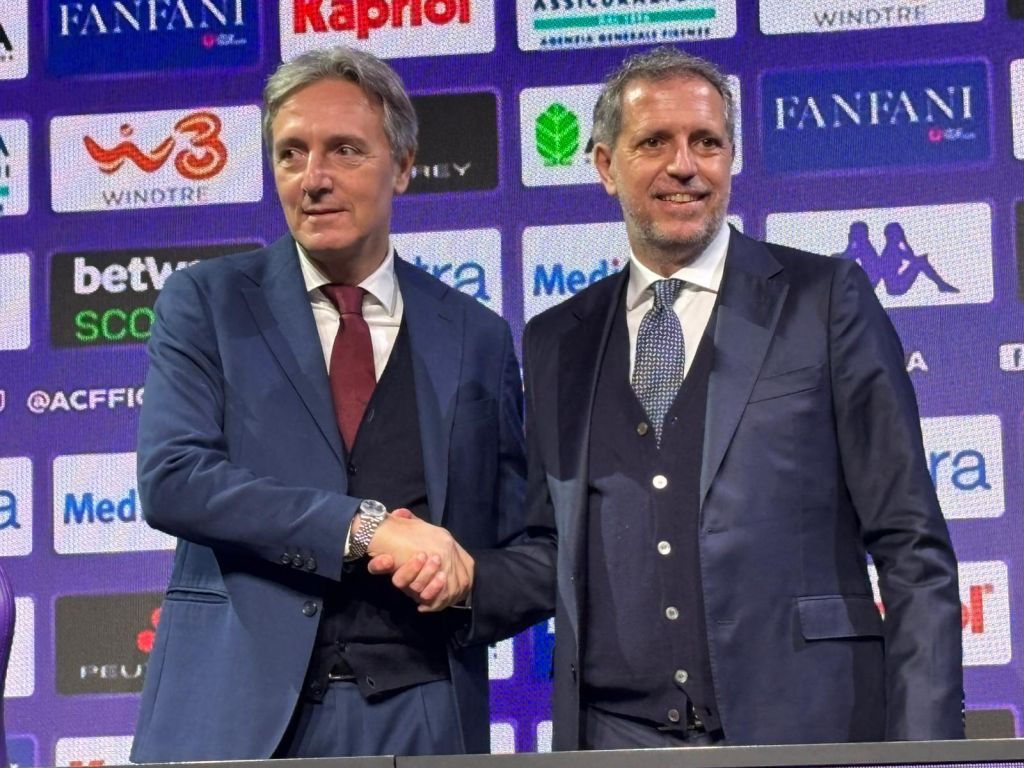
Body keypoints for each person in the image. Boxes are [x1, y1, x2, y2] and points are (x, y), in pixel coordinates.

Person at [402, 46, 964, 750]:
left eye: (707, 142)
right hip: (614, 742)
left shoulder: (824, 301)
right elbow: (553, 548)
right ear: (605, 165)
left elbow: (910, 543)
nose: (684, 165)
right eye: (654, 143)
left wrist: (925, 749)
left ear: (731, 158)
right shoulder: (556, 339)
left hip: (804, 731)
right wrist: (466, 578)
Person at [130, 46, 526, 762]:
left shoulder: (477, 335)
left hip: (424, 716)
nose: (314, 178)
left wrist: (468, 580)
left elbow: (524, 541)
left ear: (402, 166)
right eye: (291, 153)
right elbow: (174, 479)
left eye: (345, 150)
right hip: (238, 714)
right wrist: (364, 529)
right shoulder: (207, 303)